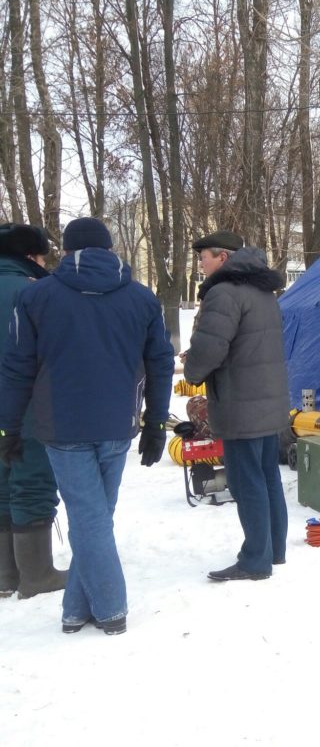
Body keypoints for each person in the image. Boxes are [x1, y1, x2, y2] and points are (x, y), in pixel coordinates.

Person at [0, 217, 174, 635]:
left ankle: (111, 609)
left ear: (67, 249)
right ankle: (76, 609)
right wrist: (153, 423)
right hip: (118, 422)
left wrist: (9, 428)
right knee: (94, 516)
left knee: (90, 517)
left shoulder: (37, 296)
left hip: (61, 427)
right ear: (109, 248)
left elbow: (18, 368)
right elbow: (161, 364)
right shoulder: (141, 299)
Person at [183, 231, 290, 581]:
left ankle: (255, 560)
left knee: (247, 483)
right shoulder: (263, 292)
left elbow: (211, 348)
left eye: (204, 257)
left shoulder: (223, 293)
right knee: (268, 476)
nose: (200, 263)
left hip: (240, 403)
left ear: (224, 258)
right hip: (267, 401)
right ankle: (274, 550)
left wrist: (193, 368)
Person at [0, 223, 65, 599]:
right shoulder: (35, 292)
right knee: (32, 479)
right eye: (42, 256)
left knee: (2, 483)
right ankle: (37, 573)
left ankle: (7, 574)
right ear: (29, 256)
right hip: (27, 404)